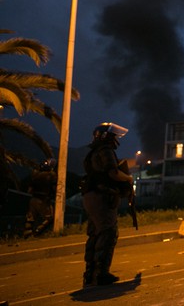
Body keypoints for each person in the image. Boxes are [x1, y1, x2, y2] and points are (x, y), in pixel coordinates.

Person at [81, 122, 132, 287]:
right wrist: (128, 178)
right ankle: (101, 274)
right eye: (113, 136)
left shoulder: (93, 153)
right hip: (101, 197)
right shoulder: (105, 151)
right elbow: (113, 173)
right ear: (106, 137)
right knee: (108, 232)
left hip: (90, 195)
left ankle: (90, 273)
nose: (116, 140)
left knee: (95, 234)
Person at [23, 158, 57, 238]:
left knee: (30, 219)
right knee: (50, 218)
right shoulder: (52, 175)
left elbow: (29, 190)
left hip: (33, 199)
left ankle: (27, 236)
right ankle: (37, 232)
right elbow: (54, 188)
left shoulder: (35, 174)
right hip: (43, 199)